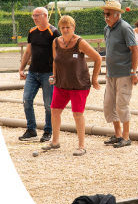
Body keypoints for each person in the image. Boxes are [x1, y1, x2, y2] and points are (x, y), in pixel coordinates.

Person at [43, 16, 102, 156]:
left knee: (77, 114)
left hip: (79, 84)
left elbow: (98, 58)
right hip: (61, 84)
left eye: (67, 27)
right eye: (62, 27)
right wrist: (54, 76)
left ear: (73, 27)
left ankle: (81, 146)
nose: (65, 30)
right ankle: (55, 141)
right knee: (55, 111)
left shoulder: (80, 42)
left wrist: (94, 79)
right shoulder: (56, 42)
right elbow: (55, 61)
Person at [101, 0, 138, 148]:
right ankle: (117, 135)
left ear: (117, 15)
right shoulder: (107, 28)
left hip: (124, 72)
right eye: (104, 13)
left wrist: (133, 71)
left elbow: (135, 50)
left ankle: (126, 137)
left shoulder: (125, 28)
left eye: (108, 14)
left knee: (121, 105)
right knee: (109, 105)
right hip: (111, 73)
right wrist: (106, 69)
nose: (106, 16)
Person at [18, 7, 61, 142]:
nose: (34, 18)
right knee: (26, 100)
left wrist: (55, 74)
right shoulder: (32, 31)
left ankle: (48, 131)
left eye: (36, 15)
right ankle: (31, 130)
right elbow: (28, 51)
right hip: (32, 72)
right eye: (33, 16)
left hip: (47, 73)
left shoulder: (54, 32)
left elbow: (58, 55)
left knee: (48, 104)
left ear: (45, 16)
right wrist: (21, 68)